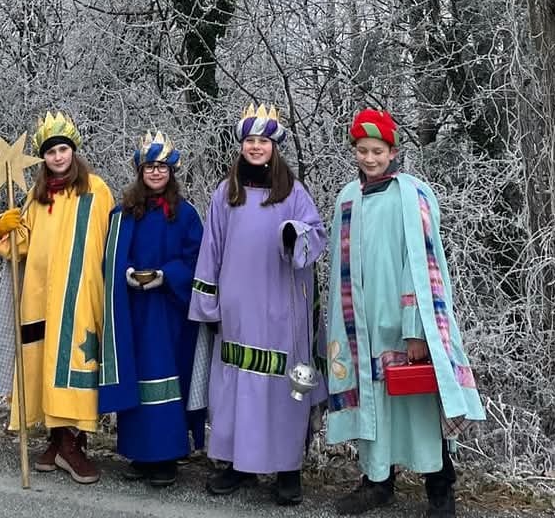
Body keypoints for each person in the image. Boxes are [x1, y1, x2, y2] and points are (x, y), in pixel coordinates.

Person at [325, 109, 485, 517]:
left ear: (393, 152)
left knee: (420, 405)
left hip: (402, 324)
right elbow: (339, 269)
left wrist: (416, 329)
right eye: (362, 150)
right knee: (374, 405)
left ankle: (440, 489)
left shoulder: (412, 194)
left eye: (377, 151)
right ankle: (377, 482)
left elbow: (422, 264)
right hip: (361, 327)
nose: (369, 158)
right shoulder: (347, 198)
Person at [189, 102, 326, 508]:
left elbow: (316, 236)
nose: (255, 147)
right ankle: (238, 463)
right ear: (241, 145)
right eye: (249, 140)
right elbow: (211, 248)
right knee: (237, 388)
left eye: (262, 141)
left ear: (274, 146)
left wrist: (295, 235)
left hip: (282, 308)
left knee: (282, 388)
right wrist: (208, 303)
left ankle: (287, 469)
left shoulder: (294, 192)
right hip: (237, 310)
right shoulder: (226, 192)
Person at [0, 110, 114, 483]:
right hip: (41, 296)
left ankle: (73, 443)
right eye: (50, 151)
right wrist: (3, 227)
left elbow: (112, 240)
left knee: (75, 365)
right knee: (44, 363)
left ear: (73, 151)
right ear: (43, 157)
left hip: (80, 296)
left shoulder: (96, 190)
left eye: (63, 149)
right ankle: (57, 440)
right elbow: (19, 245)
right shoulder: (35, 196)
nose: (58, 157)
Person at [98, 129, 205, 486]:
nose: (156, 173)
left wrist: (166, 275)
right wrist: (126, 273)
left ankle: (167, 456)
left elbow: (197, 260)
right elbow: (112, 258)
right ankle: (139, 453)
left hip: (169, 312)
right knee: (137, 377)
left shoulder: (185, 214)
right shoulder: (124, 213)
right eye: (149, 167)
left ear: (171, 172)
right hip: (134, 311)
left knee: (167, 379)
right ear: (140, 172)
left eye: (162, 167)